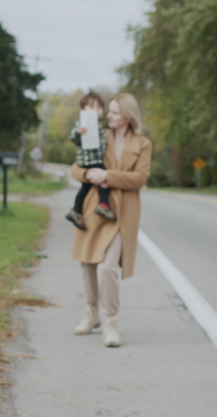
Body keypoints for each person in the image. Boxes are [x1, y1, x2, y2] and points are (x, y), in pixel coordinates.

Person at [69, 93, 151, 347]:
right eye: (110, 111)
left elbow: (140, 178)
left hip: (122, 211)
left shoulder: (142, 144)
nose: (109, 115)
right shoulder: (98, 134)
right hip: (95, 207)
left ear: (128, 115)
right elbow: (76, 167)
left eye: (115, 112)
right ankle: (91, 313)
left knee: (107, 267)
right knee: (88, 262)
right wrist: (87, 174)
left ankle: (111, 322)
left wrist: (108, 175)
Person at [66, 91, 114, 231]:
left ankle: (76, 211)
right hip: (88, 160)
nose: (96, 111)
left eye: (99, 108)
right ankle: (103, 205)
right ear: (83, 110)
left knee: (84, 188)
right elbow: (72, 137)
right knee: (103, 178)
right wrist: (79, 132)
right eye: (92, 107)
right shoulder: (82, 124)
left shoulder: (99, 126)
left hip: (94, 159)